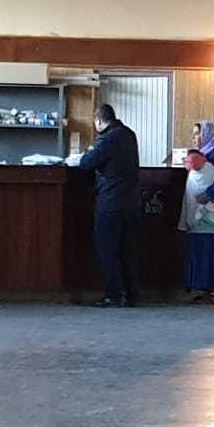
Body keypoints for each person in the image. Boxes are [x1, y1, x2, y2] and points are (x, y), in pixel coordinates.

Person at [77, 104, 141, 308]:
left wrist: (89, 150)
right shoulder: (129, 135)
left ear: (98, 120)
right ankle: (132, 295)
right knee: (128, 251)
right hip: (132, 202)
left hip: (111, 203)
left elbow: (85, 163)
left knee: (108, 250)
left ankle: (113, 295)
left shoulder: (107, 139)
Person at [178, 122, 214, 303]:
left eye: (197, 134)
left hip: (212, 211)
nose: (194, 138)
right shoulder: (204, 155)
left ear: (207, 135)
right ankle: (202, 287)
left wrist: (209, 195)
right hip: (200, 213)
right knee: (200, 250)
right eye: (193, 134)